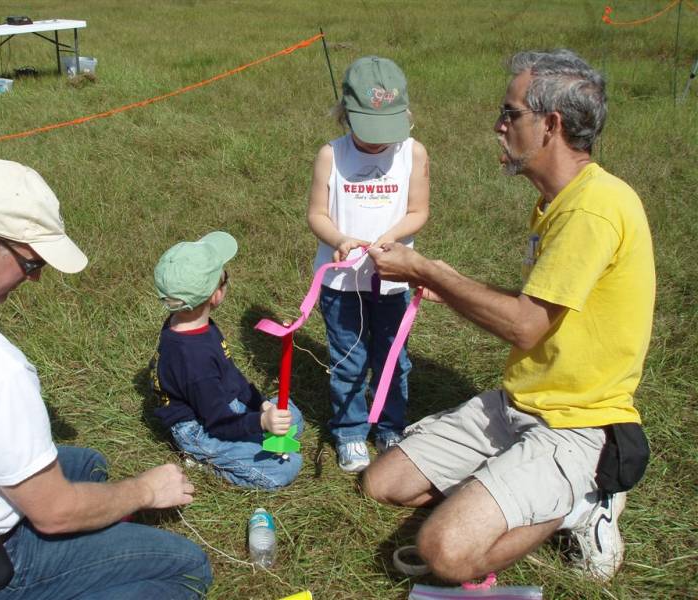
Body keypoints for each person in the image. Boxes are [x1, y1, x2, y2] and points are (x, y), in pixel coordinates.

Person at [364, 49, 655, 582]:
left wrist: (428, 272)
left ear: (551, 125)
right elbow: (545, 305)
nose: (499, 125)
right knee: (383, 484)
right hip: (518, 402)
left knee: (445, 552)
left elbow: (524, 325)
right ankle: (512, 484)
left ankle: (584, 503)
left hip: (577, 422)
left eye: (510, 113)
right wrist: (446, 284)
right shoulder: (557, 200)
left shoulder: (591, 209)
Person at [0, 159, 211, 599]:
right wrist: (145, 490)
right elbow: (54, 513)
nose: (37, 277)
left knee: (87, 465)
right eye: (31, 264)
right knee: (188, 569)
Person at [307, 55, 430, 473]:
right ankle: (350, 431)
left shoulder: (413, 153)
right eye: (368, 130)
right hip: (341, 286)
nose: (378, 144)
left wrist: (391, 238)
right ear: (346, 114)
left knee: (393, 357)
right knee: (349, 359)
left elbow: (418, 210)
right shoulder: (331, 155)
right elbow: (317, 214)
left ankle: (390, 426)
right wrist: (339, 240)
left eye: (386, 131)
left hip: (393, 280)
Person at [150, 231, 304, 489]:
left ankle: (253, 435)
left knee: (292, 415)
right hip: (201, 428)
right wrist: (260, 422)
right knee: (285, 468)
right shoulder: (194, 362)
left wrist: (261, 404)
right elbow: (218, 423)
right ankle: (202, 459)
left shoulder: (193, 323)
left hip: (219, 402)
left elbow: (230, 373)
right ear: (216, 296)